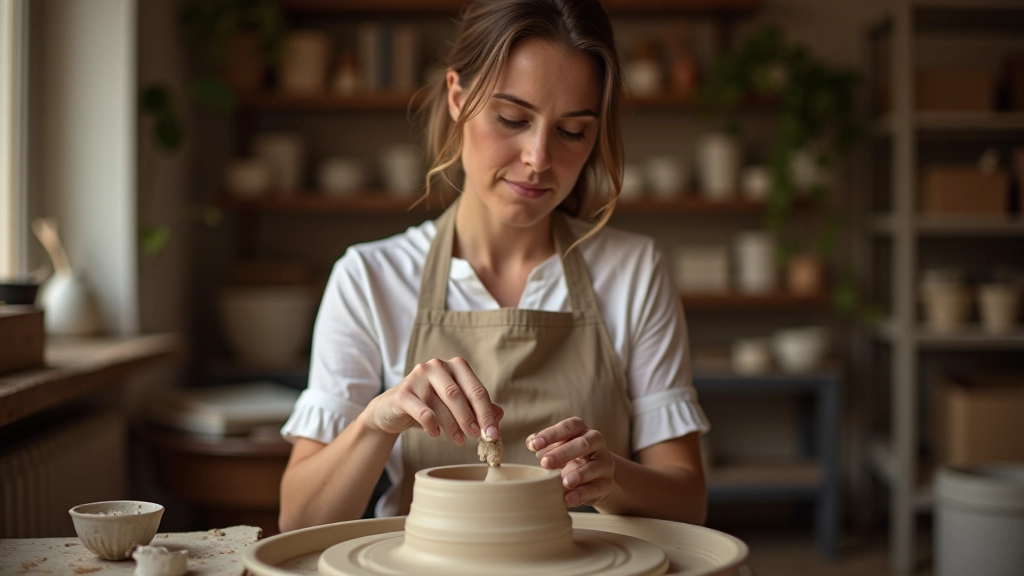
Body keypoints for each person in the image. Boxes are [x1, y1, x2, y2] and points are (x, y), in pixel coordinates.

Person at [278, 0, 710, 532]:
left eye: (572, 131)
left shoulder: (633, 271)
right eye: (512, 119)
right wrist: (378, 420)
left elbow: (689, 503)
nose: (538, 158)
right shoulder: (370, 278)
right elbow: (299, 520)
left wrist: (613, 477)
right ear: (458, 98)